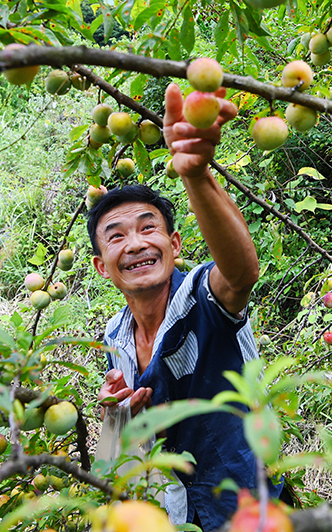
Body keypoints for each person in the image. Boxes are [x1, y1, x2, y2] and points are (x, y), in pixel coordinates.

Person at [88, 83, 278, 530]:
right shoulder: (115, 337)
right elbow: (134, 439)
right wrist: (118, 412)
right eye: (116, 236)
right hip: (177, 514)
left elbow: (240, 274)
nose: (135, 244)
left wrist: (196, 174)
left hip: (247, 506)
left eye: (147, 228)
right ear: (102, 266)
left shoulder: (201, 295)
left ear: (173, 244)